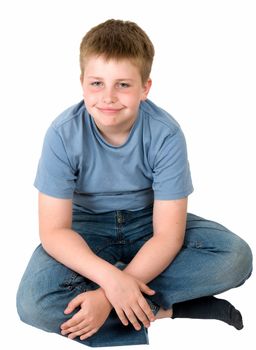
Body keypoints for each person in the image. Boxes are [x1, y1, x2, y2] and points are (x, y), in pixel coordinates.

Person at [16, 19, 253, 347]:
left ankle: (115, 303)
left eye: (123, 85)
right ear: (82, 83)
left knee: (235, 257)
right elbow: (54, 231)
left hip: (148, 226)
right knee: (33, 303)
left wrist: (107, 294)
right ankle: (169, 310)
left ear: (145, 88)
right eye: (97, 83)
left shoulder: (165, 133)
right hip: (86, 231)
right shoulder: (62, 133)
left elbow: (168, 235)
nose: (108, 97)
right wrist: (111, 279)